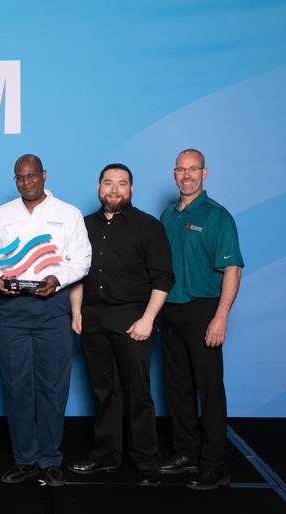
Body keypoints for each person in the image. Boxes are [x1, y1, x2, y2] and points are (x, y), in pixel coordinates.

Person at [0, 154, 91, 487]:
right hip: (12, 310)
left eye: (31, 176)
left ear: (44, 175)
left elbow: (82, 260)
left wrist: (58, 278)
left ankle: (50, 459)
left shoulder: (68, 214)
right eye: (19, 177)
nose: (26, 182)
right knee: (16, 387)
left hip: (52, 308)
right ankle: (25, 459)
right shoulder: (2, 215)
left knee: (53, 386)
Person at [67, 163, 174, 487]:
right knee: (104, 393)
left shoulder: (148, 227)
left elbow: (163, 278)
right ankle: (106, 457)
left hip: (133, 320)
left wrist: (148, 319)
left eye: (122, 184)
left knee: (138, 394)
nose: (114, 190)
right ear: (99, 187)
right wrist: (76, 313)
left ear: (131, 189)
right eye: (108, 183)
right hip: (94, 319)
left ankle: (147, 463)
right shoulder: (82, 226)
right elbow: (76, 274)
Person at [159, 148, 243, 490]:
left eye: (193, 169)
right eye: (181, 169)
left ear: (204, 174)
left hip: (204, 309)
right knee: (177, 387)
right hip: (172, 309)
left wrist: (220, 317)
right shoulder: (167, 216)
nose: (186, 175)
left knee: (209, 390)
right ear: (174, 174)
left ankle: (214, 464)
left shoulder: (218, 215)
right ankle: (186, 453)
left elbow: (232, 269)